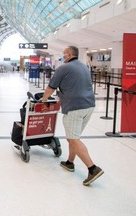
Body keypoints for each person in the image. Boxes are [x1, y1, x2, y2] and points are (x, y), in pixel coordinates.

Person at [41, 46, 104, 186]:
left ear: (69, 55)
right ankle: (70, 162)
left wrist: (44, 100)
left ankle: (92, 168)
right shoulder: (84, 67)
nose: (63, 56)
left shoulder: (63, 68)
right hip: (89, 105)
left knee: (73, 138)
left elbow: (51, 87)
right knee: (74, 137)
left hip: (75, 107)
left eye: (64, 54)